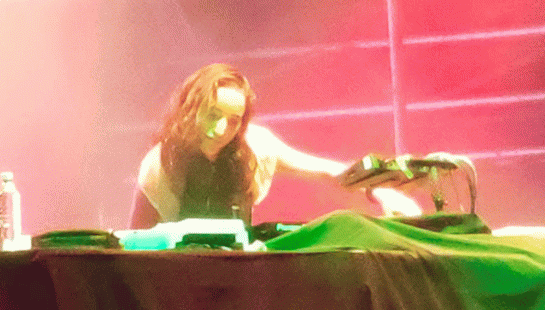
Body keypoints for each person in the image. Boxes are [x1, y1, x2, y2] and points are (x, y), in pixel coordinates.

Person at [129, 63, 421, 229]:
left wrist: (378, 191)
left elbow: (328, 172)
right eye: (213, 115)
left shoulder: (254, 147)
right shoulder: (159, 164)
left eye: (233, 121)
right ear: (191, 109)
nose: (220, 130)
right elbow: (132, 246)